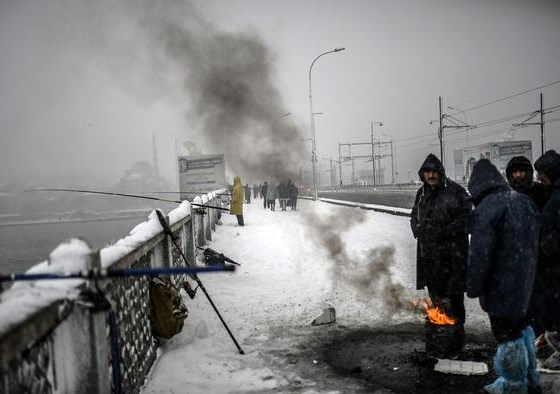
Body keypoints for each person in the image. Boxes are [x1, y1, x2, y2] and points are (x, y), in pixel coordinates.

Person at [467, 159, 540, 393]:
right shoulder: (524, 201)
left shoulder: (486, 210)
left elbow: (480, 255)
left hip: (501, 288)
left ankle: (513, 385)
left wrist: (473, 286)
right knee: (523, 329)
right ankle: (530, 378)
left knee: (507, 337)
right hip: (526, 284)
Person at [410, 153, 471, 349]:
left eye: (434, 172)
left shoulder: (456, 191)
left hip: (452, 257)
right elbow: (414, 216)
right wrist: (417, 229)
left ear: (440, 173)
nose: (431, 175)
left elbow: (467, 217)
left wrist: (446, 232)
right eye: (427, 172)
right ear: (423, 174)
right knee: (436, 296)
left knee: (453, 297)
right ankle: (439, 335)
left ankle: (455, 338)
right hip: (429, 257)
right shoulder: (421, 194)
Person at [531, 150, 560, 371]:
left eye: (541, 173)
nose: (539, 178)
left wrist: (548, 244)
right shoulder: (554, 192)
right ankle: (551, 344)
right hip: (551, 262)